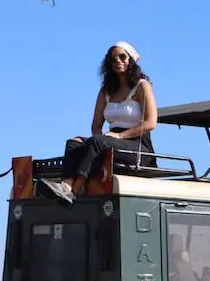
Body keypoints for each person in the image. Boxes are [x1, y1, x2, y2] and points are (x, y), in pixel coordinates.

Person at [37, 41, 158, 205]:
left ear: (131, 60)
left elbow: (151, 123)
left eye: (122, 57)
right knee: (74, 142)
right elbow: (96, 126)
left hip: (137, 144)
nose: (118, 61)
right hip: (109, 140)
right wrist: (98, 145)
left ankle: (73, 191)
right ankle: (65, 185)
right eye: (112, 59)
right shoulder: (105, 91)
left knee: (98, 141)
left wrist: (119, 136)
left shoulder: (141, 86)